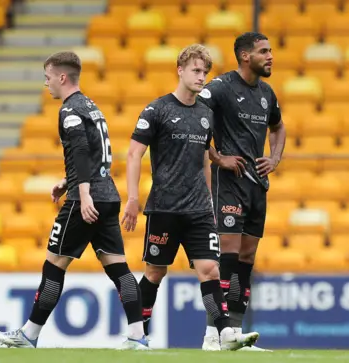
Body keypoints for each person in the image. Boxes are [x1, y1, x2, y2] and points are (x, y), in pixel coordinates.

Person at [0, 51, 148, 350]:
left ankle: (29, 335)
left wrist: (82, 193)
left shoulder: (69, 110)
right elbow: (96, 153)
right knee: (118, 268)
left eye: (48, 77)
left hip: (85, 199)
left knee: (54, 265)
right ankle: (138, 336)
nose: (46, 84)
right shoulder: (92, 106)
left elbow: (79, 150)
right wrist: (68, 181)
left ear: (62, 77)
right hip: (108, 195)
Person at [120, 44, 260, 351]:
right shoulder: (156, 110)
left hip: (198, 209)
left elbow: (202, 160)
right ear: (180, 71)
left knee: (210, 270)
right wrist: (132, 199)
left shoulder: (205, 114)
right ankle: (136, 335)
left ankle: (224, 334)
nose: (201, 77)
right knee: (155, 272)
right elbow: (134, 154)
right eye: (196, 71)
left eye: (205, 72)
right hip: (165, 208)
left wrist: (210, 201)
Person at [196, 32, 287, 352]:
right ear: (245, 56)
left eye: (270, 50)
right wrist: (217, 156)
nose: (270, 56)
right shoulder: (220, 87)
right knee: (228, 258)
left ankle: (233, 334)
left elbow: (278, 127)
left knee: (246, 260)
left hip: (257, 186)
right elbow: (194, 116)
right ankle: (212, 334)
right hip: (229, 184)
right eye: (264, 51)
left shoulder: (267, 92)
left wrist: (274, 158)